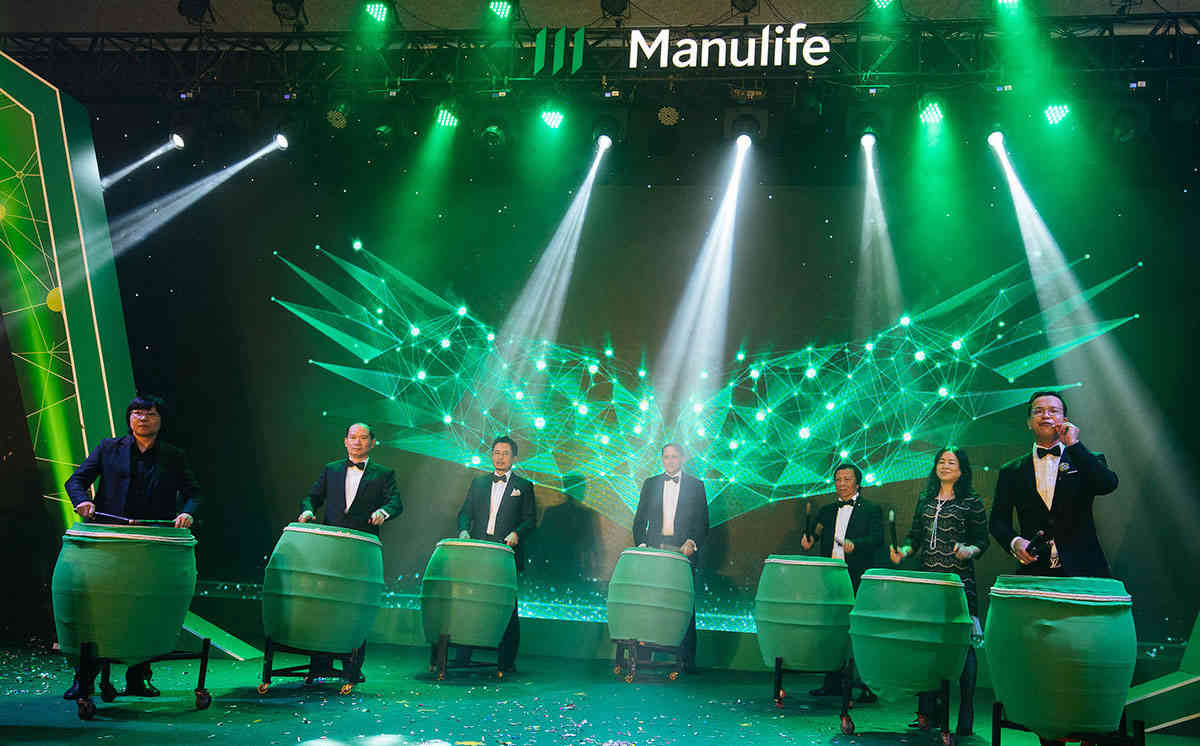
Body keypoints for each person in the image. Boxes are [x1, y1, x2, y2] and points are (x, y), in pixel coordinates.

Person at [63, 394, 201, 700]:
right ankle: (84, 678)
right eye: (137, 413)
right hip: (109, 542)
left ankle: (139, 677)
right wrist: (82, 500)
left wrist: (187, 512)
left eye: (150, 413)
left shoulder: (173, 455)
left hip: (152, 544)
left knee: (145, 609)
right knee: (99, 611)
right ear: (129, 418)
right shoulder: (108, 448)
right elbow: (75, 481)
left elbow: (194, 493)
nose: (142, 418)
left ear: (160, 420)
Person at [890, 447, 989, 735]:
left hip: (959, 584)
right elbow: (915, 537)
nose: (945, 466)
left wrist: (969, 550)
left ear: (962, 470)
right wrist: (904, 550)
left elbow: (982, 541)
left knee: (963, 646)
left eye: (951, 462)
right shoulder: (926, 498)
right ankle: (927, 712)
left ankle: (966, 714)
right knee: (928, 645)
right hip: (929, 584)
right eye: (941, 461)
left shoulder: (971, 501)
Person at [990, 391, 1119, 577]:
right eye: (1038, 411)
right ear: (1028, 422)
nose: (1046, 415)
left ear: (1064, 420)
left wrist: (1074, 445)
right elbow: (998, 521)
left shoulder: (1086, 459)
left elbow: (1107, 484)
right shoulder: (1011, 470)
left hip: (1084, 567)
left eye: (1053, 411)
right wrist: (1015, 542)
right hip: (1034, 569)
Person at [802, 462, 882, 700]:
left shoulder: (871, 509)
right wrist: (808, 540)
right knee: (833, 629)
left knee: (861, 631)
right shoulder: (827, 510)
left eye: (847, 479)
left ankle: (867, 685)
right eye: (838, 479)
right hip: (830, 577)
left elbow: (877, 539)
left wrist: (856, 545)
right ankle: (833, 682)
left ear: (858, 482)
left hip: (857, 576)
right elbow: (814, 534)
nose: (842, 484)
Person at [457, 435, 536, 672]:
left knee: (507, 608)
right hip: (479, 551)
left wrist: (517, 533)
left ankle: (507, 661)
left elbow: (531, 519)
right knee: (470, 603)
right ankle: (462, 656)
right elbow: (465, 512)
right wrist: (463, 530)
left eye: (505, 453)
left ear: (514, 458)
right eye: (496, 453)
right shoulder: (479, 483)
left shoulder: (524, 486)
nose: (500, 458)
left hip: (506, 553)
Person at [631, 443, 710, 672]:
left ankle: (687, 661)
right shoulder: (651, 483)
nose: (670, 461)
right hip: (654, 552)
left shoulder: (696, 486)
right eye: (666, 457)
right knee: (649, 603)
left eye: (674, 457)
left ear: (682, 458)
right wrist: (643, 547)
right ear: (662, 459)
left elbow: (703, 522)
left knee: (684, 606)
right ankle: (644, 656)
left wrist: (692, 541)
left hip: (683, 553)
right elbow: (639, 520)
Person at [298, 422, 402, 535]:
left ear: (373, 443)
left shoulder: (384, 474)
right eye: (353, 437)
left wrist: (382, 513)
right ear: (346, 442)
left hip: (363, 538)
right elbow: (313, 498)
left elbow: (395, 503)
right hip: (330, 535)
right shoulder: (331, 469)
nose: (357, 442)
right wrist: (308, 511)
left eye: (363, 438)